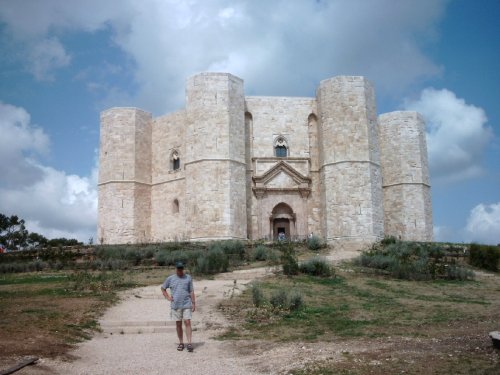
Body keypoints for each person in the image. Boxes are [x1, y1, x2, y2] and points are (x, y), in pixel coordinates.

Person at [161, 261, 196, 352]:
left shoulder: (188, 278)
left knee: (187, 322)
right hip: (176, 305)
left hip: (186, 304)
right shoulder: (170, 278)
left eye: (181, 268)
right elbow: (163, 288)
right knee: (178, 324)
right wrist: (168, 297)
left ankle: (189, 343)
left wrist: (193, 302)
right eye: (178, 268)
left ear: (183, 269)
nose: (180, 270)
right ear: (176, 269)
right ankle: (181, 343)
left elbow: (191, 291)